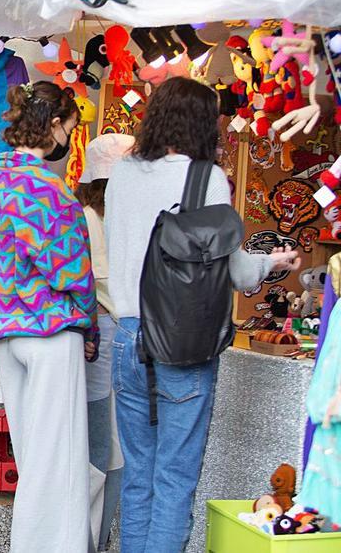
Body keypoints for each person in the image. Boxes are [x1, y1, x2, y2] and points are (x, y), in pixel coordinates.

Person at [105, 77, 300, 552]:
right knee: (174, 477)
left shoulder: (123, 172)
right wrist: (271, 262)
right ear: (201, 123)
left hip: (126, 334)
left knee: (139, 476)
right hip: (180, 341)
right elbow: (231, 268)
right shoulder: (205, 177)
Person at [0, 80, 97, 552]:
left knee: (32, 453)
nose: (69, 140)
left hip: (0, 328)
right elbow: (73, 272)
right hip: (47, 328)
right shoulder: (49, 190)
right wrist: (88, 325)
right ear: (56, 126)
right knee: (56, 460)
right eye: (71, 129)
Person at [75, 132, 133, 551]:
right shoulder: (112, 216)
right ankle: (93, 537)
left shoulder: (79, 213)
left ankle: (90, 534)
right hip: (108, 333)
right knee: (108, 447)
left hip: (88, 335)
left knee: (95, 442)